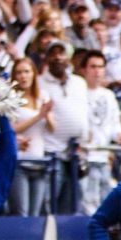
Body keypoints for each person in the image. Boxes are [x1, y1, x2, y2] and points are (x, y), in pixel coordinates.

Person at [38, 40, 89, 214]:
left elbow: (84, 112)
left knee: (72, 203)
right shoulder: (39, 83)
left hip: (76, 153)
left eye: (62, 53)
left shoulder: (79, 82)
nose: (58, 57)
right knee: (49, 201)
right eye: (53, 53)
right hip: (52, 151)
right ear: (46, 58)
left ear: (69, 57)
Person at [80, 50, 121, 215]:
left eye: (101, 67)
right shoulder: (78, 92)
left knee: (106, 201)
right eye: (93, 67)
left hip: (103, 157)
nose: (97, 71)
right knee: (87, 202)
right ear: (84, 70)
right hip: (85, 158)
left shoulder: (108, 95)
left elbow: (114, 125)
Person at [7, 57, 55, 216]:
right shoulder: (11, 99)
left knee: (35, 214)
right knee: (22, 213)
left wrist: (47, 114)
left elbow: (52, 128)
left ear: (34, 74)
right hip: (20, 162)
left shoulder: (43, 95)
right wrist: (39, 116)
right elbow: (11, 129)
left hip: (39, 161)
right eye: (19, 72)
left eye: (26, 71)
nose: (23, 76)